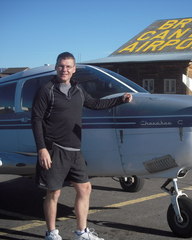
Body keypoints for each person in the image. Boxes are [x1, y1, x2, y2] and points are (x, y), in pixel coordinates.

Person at [32, 52, 132, 240]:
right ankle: (51, 233)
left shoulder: (78, 90)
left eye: (68, 66)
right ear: (56, 67)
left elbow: (94, 104)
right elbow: (36, 119)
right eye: (61, 66)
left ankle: (81, 233)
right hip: (54, 149)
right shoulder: (47, 90)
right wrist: (42, 148)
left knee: (85, 188)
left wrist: (121, 99)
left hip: (75, 150)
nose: (65, 69)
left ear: (74, 69)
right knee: (53, 192)